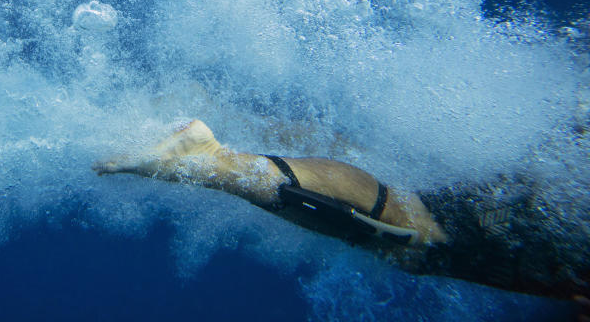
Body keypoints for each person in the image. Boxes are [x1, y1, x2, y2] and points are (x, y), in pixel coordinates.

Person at [94, 119, 588, 301]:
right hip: (563, 223)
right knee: (414, 227)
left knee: (410, 240)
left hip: (561, 214)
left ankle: (221, 160)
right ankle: (214, 158)